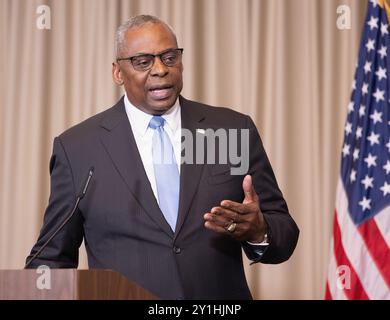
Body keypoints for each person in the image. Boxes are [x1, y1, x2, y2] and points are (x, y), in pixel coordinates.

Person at [26, 15, 299, 299]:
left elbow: (284, 232)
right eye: (143, 62)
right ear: (118, 73)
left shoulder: (230, 130)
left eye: (169, 57)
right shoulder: (79, 148)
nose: (160, 70)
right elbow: (51, 259)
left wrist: (259, 231)